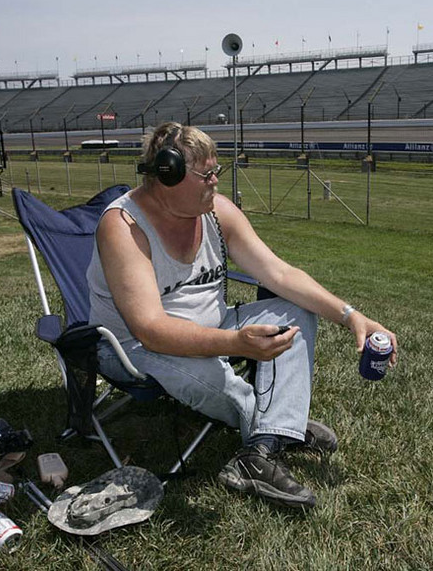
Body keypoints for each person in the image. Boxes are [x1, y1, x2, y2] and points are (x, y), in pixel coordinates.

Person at [86, 122, 397, 509]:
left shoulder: (216, 212)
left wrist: (350, 315)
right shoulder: (124, 227)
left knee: (294, 310)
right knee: (204, 372)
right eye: (206, 175)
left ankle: (261, 447)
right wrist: (236, 344)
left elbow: (279, 273)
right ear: (168, 175)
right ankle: (281, 432)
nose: (216, 182)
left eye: (218, 170)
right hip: (133, 348)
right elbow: (150, 330)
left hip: (210, 328)